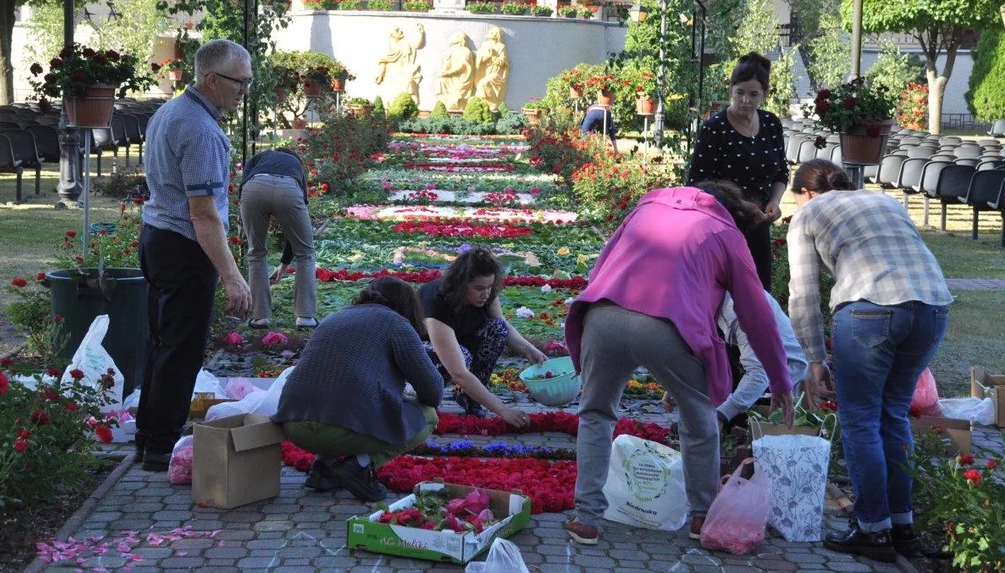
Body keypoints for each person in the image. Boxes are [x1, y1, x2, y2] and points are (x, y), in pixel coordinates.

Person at [562, 181, 796, 547]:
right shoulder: (725, 231)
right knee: (699, 419)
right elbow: (756, 314)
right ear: (732, 209)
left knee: (595, 414)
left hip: (603, 315)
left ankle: (586, 519)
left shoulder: (646, 207)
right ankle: (701, 517)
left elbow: (602, 265)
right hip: (667, 326)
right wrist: (780, 380)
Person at [787, 160, 952, 562]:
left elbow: (803, 292)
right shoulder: (885, 201)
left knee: (860, 418)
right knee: (893, 416)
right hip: (932, 305)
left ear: (806, 193)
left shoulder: (808, 214)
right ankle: (902, 526)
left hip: (869, 308)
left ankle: (872, 529)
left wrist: (812, 359)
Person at [136, 39, 253, 472]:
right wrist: (232, 276)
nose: (244, 91)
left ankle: (150, 435)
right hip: (184, 247)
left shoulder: (170, 110)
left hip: (158, 237)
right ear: (212, 80)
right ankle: (161, 446)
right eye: (239, 83)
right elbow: (203, 215)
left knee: (162, 341)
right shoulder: (202, 132)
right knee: (181, 349)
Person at [271, 277, 444, 502]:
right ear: (410, 306)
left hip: (294, 427)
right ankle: (359, 465)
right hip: (343, 431)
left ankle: (323, 466)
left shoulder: (334, 317)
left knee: (336, 399)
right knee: (428, 416)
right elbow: (434, 392)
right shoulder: (397, 324)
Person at [688, 52, 789, 290]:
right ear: (730, 90)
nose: (745, 100)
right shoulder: (715, 128)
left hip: (759, 225)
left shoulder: (771, 124)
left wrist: (774, 201)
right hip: (722, 225)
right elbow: (697, 184)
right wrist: (741, 207)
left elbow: (781, 171)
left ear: (764, 94)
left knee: (759, 293)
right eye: (740, 92)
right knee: (723, 295)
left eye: (753, 94)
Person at [419, 247, 547, 425]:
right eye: (479, 288)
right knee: (462, 356)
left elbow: (503, 326)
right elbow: (459, 372)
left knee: (497, 329)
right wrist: (504, 410)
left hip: (461, 344)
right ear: (461, 285)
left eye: (489, 287)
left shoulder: (486, 293)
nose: (485, 294)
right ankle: (423, 399)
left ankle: (471, 397)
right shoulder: (437, 301)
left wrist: (528, 350)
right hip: (420, 352)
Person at [662, 291, 808, 425]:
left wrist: (720, 416)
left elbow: (758, 374)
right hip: (767, 374)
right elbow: (700, 345)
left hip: (785, 375)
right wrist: (678, 382)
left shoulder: (739, 312)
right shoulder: (709, 298)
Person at [239, 148, 318, 330]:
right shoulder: (295, 165)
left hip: (254, 188)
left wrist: (283, 264)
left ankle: (259, 318)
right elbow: (296, 235)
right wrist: (285, 263)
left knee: (256, 253)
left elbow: (244, 181)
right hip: (288, 189)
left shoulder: (260, 158)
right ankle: (305, 317)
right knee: (305, 253)